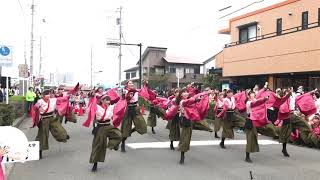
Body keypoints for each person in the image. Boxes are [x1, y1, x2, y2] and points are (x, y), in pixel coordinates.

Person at [89, 95, 122, 172]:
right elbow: (91, 107)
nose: (108, 102)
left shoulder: (111, 107)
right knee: (98, 146)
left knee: (119, 135)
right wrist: (92, 97)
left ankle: (111, 145)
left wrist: (123, 98)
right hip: (100, 127)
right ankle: (95, 164)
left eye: (109, 100)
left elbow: (119, 105)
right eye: (106, 100)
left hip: (108, 126)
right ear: (102, 100)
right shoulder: (97, 107)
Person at [34, 89, 70, 159]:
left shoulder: (53, 100)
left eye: (49, 94)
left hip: (52, 117)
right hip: (44, 119)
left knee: (58, 128)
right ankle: (39, 151)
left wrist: (69, 94)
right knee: (43, 135)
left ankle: (64, 136)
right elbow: (36, 106)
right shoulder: (40, 101)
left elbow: (62, 99)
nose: (48, 95)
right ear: (43, 96)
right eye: (47, 94)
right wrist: (36, 106)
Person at [120, 80, 147, 152]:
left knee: (142, 125)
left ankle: (130, 131)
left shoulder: (136, 91)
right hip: (128, 109)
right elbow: (124, 99)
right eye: (129, 83)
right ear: (127, 85)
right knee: (126, 128)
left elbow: (144, 91)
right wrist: (128, 96)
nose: (131, 84)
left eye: (132, 83)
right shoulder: (125, 91)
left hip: (135, 108)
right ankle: (123, 143)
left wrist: (145, 84)